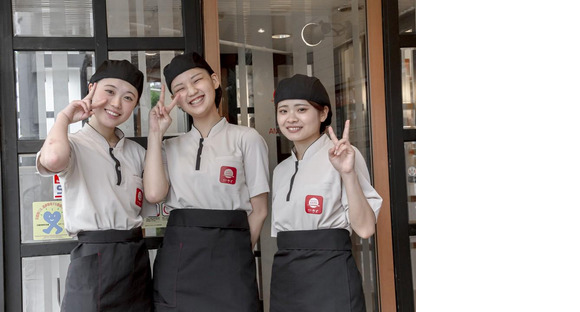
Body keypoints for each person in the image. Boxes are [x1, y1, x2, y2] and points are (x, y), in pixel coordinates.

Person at [144, 52, 269, 311]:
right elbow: (155, 194)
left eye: (196, 80)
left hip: (231, 258)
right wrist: (155, 134)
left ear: (214, 80)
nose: (191, 91)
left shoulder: (247, 138)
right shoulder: (170, 146)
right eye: (180, 88)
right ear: (176, 101)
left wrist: (238, 253)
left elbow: (260, 210)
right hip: (179, 259)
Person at [36, 60, 154, 312]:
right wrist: (64, 117)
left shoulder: (136, 152)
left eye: (128, 97)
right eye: (109, 92)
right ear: (91, 89)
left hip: (134, 257)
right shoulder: (73, 143)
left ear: (134, 106)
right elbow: (54, 159)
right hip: (92, 256)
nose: (116, 104)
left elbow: (152, 198)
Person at [270, 74, 383, 312]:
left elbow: (365, 229)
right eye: (283, 111)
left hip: (331, 275)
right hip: (286, 279)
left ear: (323, 114)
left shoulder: (344, 156)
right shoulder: (280, 171)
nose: (291, 118)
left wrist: (348, 173)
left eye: (301, 109)